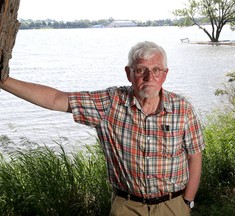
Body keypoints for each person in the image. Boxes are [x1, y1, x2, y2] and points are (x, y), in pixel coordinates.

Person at [0, 41, 205, 216]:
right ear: (129, 73)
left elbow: (194, 155)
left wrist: (187, 201)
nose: (149, 77)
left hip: (173, 206)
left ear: (165, 74)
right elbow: (55, 99)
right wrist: (4, 81)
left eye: (156, 70)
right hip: (127, 207)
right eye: (141, 70)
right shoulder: (110, 103)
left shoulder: (182, 108)